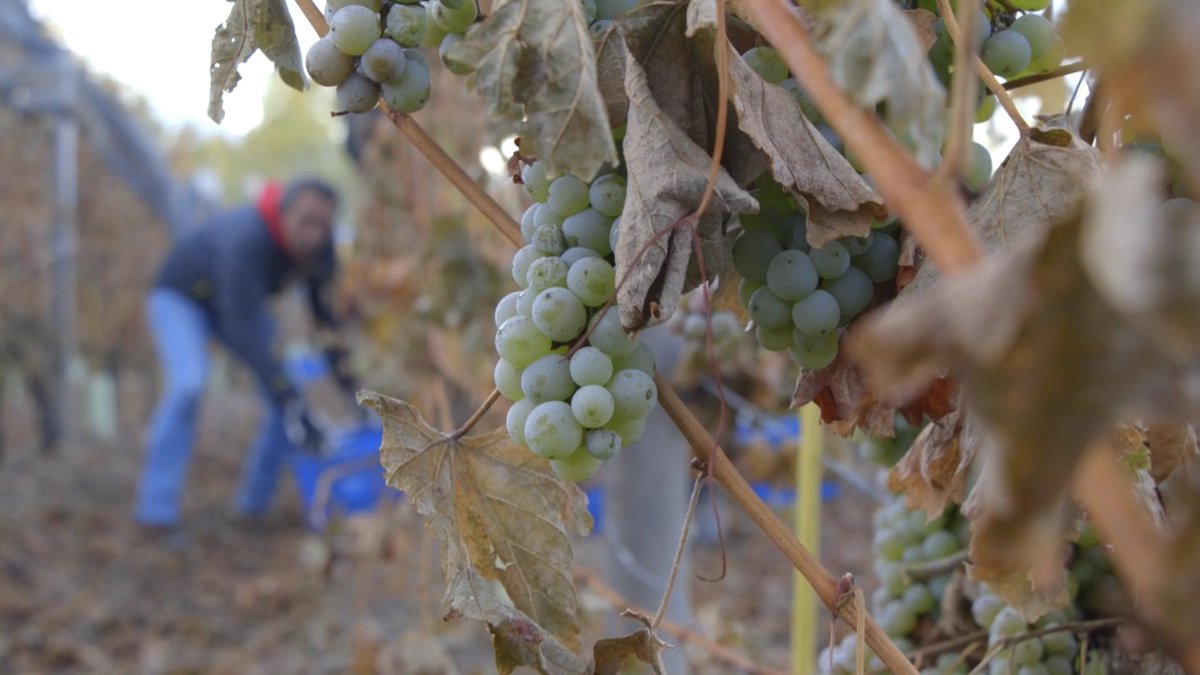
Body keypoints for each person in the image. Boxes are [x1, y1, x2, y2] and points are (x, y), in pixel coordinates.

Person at [136, 177, 358, 530]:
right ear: (284, 214)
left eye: (323, 225)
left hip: (237, 308)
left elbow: (325, 322)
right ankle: (156, 513)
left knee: (288, 398)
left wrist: (352, 388)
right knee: (189, 385)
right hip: (181, 298)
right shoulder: (247, 238)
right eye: (306, 222)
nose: (314, 235)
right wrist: (287, 396)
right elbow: (245, 326)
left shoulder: (321, 251)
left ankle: (253, 509)